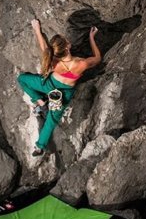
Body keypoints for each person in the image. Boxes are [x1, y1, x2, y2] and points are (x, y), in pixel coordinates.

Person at [17, 19, 102, 156]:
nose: (68, 41)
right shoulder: (81, 64)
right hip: (64, 94)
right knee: (51, 120)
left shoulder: (54, 61)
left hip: (49, 85)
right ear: (67, 48)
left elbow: (44, 47)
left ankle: (39, 100)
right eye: (66, 41)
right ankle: (39, 147)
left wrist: (37, 29)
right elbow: (97, 58)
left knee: (22, 79)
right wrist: (91, 38)